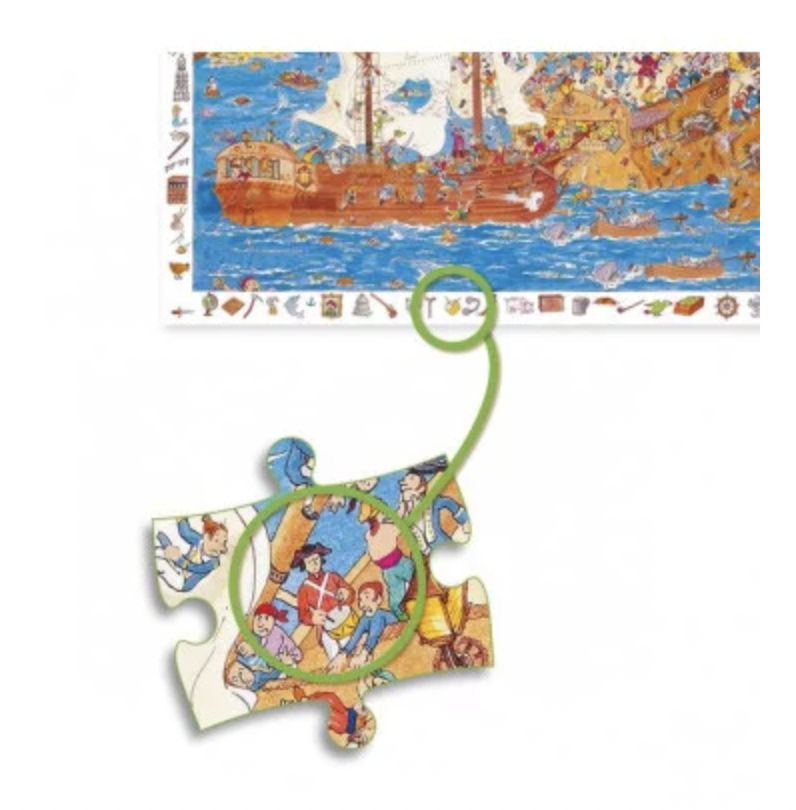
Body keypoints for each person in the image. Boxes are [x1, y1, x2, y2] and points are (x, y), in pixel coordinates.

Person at [293, 543, 356, 660]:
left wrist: (346, 593)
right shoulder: (303, 589)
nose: (314, 564)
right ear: (304, 566)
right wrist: (313, 618)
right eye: (309, 562)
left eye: (316, 559)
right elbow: (302, 615)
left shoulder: (333, 577)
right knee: (334, 654)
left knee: (352, 649)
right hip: (325, 629)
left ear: (321, 559)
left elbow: (351, 592)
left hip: (346, 621)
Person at [328, 582, 398, 672]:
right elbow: (355, 636)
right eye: (361, 599)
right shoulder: (364, 619)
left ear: (378, 599)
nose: (363, 602)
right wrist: (342, 654)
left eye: (367, 597)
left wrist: (363, 655)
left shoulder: (379, 616)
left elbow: (374, 635)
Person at [156, 515, 228, 592]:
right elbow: (186, 533)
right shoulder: (200, 540)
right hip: (177, 563)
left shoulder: (214, 563)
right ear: (206, 537)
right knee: (160, 536)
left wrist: (178, 559)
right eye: (216, 540)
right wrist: (181, 519)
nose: (222, 546)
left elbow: (196, 568)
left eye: (224, 542)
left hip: (183, 580)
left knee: (161, 565)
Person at [251, 602, 302, 666]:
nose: (261, 623)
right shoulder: (264, 634)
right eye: (259, 618)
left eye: (266, 618)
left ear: (273, 621)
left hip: (291, 656)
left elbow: (269, 653)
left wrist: (255, 652)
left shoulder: (275, 633)